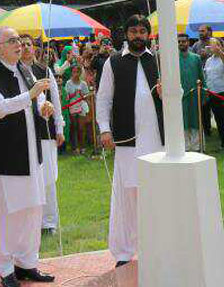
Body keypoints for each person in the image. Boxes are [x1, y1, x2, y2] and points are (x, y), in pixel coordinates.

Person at [0, 26, 55, 286]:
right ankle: (6, 269)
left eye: (20, 41)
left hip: (30, 152)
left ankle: (27, 263)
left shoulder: (26, 71)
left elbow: (38, 100)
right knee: (6, 214)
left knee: (33, 208)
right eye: (12, 41)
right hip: (5, 155)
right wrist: (31, 96)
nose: (19, 45)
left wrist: (43, 105)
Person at [96, 14, 163, 269]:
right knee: (126, 195)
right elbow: (103, 99)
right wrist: (104, 129)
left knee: (155, 194)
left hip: (158, 140)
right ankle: (124, 251)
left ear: (148, 34)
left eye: (142, 31)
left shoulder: (158, 59)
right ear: (126, 35)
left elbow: (176, 95)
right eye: (133, 31)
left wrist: (165, 92)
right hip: (126, 139)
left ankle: (155, 247)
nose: (138, 35)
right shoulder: (113, 62)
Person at [20, 35, 64, 234]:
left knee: (47, 177)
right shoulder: (15, 72)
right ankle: (29, 221)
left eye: (28, 44)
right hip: (23, 130)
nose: (25, 48)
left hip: (45, 130)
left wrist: (59, 127)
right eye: (21, 45)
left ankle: (49, 222)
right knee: (27, 176)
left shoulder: (44, 70)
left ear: (35, 48)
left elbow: (55, 98)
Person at [177, 33, 205, 151]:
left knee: (195, 120)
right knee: (182, 120)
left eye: (183, 41)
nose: (181, 44)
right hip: (179, 96)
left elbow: (201, 77)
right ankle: (184, 147)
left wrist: (203, 94)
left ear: (188, 43)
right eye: (179, 42)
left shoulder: (196, 58)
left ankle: (197, 146)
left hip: (194, 95)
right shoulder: (173, 59)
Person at [65, 64, 89, 155]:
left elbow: (86, 96)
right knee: (73, 126)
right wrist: (74, 94)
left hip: (81, 106)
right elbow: (67, 97)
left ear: (80, 72)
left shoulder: (83, 84)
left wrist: (82, 96)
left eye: (77, 72)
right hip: (72, 106)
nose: (76, 74)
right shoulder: (68, 83)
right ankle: (74, 148)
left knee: (81, 127)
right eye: (74, 72)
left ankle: (82, 146)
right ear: (71, 72)